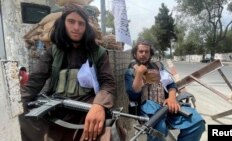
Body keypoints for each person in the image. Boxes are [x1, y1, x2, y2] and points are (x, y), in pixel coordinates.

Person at [20, 3, 115, 141]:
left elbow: (108, 83)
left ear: (86, 27)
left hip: (87, 112)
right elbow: (34, 82)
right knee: (20, 116)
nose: (76, 27)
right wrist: (17, 104)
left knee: (108, 133)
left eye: (81, 23)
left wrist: (99, 105)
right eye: (71, 21)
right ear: (63, 23)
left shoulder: (98, 52)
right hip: (55, 112)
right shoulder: (53, 51)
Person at [124, 39, 205, 141]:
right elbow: (133, 95)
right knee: (160, 128)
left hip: (167, 105)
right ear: (135, 54)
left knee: (197, 122)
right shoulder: (130, 72)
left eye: (146, 52)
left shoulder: (158, 67)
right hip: (148, 108)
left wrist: (172, 98)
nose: (143, 54)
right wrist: (139, 74)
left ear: (150, 54)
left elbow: (171, 84)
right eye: (140, 51)